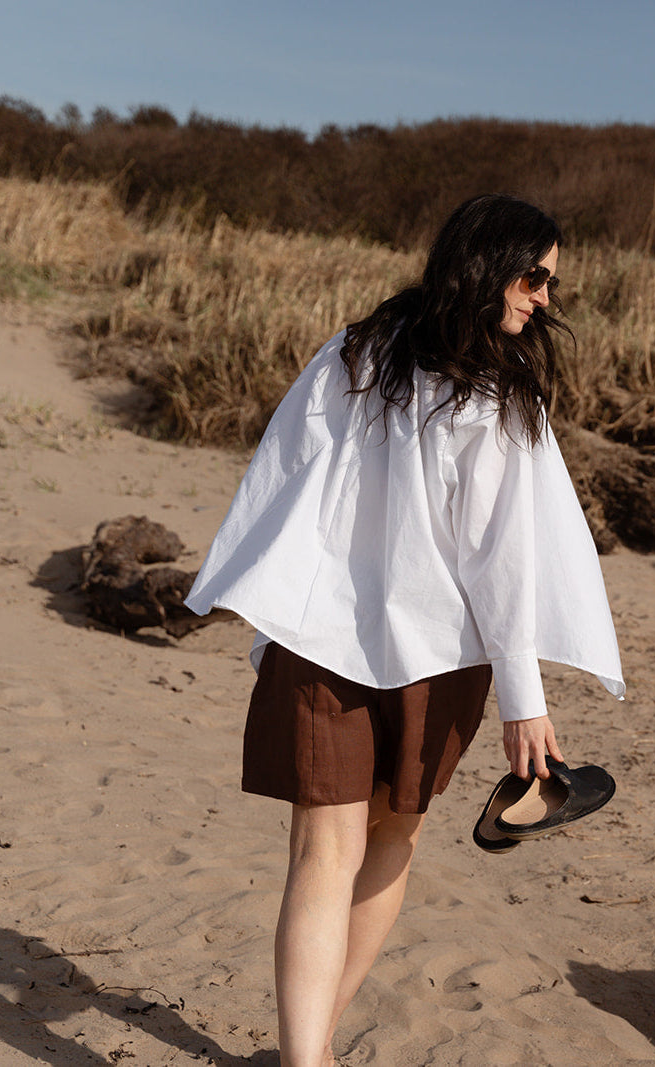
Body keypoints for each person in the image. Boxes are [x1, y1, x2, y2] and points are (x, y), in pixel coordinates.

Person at [184, 193, 624, 1067]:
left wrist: (271, 615)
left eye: (551, 282)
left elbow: (281, 476)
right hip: (417, 650)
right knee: (371, 841)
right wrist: (525, 701)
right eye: (533, 275)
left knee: (340, 846)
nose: (544, 298)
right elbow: (501, 557)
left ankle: (304, 1056)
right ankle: (306, 1058)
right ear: (483, 263)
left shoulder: (355, 353)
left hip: (333, 640)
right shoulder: (469, 386)